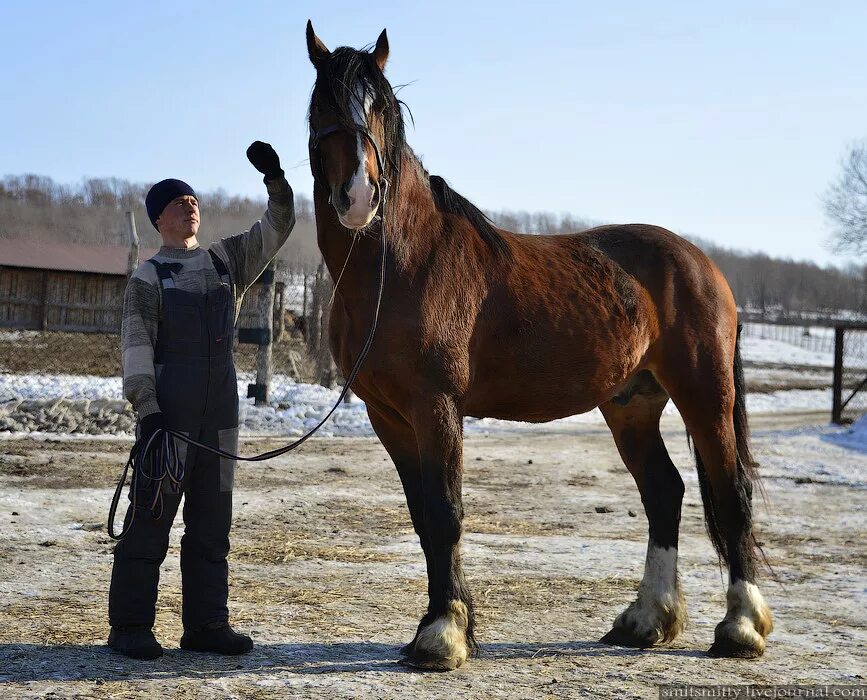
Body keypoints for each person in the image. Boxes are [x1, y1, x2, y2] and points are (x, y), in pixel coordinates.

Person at [108, 142, 295, 659]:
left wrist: (276, 181)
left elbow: (278, 228)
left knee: (213, 524)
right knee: (150, 518)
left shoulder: (224, 260)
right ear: (159, 220)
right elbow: (136, 346)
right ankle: (129, 626)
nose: (190, 205)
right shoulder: (149, 277)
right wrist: (147, 413)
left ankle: (207, 626)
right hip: (169, 413)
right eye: (177, 202)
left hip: (221, 413)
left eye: (193, 199)